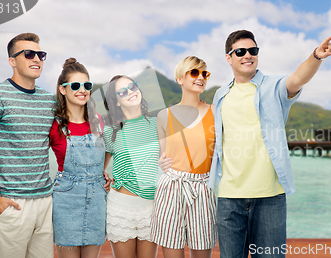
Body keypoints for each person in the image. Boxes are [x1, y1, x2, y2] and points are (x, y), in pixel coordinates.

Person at [208, 30, 331, 257]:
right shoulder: (220, 95)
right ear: (229, 58)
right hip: (229, 198)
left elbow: (298, 78)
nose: (248, 55)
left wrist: (316, 56)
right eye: (240, 51)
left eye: (253, 50)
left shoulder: (274, 87)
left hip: (269, 198)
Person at [0, 33, 55, 258]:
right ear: (12, 61)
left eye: (40, 54)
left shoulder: (50, 101)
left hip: (45, 200)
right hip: (12, 201)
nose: (36, 58)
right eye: (28, 54)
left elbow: (68, 138)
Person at [151, 56, 217, 258]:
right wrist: (162, 162)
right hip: (171, 188)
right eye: (194, 72)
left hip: (203, 189)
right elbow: (164, 157)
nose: (201, 78)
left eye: (204, 73)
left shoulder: (216, 112)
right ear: (180, 79)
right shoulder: (164, 115)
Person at [50, 58, 110, 258]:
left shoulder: (99, 121)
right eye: (75, 85)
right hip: (65, 199)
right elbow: (31, 151)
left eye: (87, 85)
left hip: (97, 200)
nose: (82, 90)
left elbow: (109, 149)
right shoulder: (54, 124)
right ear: (62, 89)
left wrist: (103, 172)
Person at [102, 75, 159, 258]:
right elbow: (100, 169)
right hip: (120, 208)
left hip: (151, 207)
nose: (131, 93)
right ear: (116, 102)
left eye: (133, 87)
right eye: (122, 92)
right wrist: (104, 177)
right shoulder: (110, 130)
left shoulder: (159, 124)